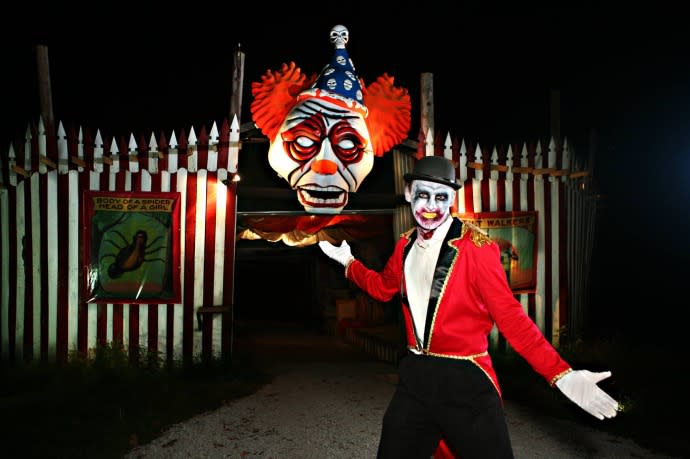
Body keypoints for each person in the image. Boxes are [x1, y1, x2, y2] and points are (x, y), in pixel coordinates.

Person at [318, 155, 620, 459]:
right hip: (415, 377)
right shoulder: (404, 245)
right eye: (422, 195)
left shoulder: (478, 250)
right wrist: (348, 262)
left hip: (465, 381)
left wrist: (562, 375)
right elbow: (382, 288)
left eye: (441, 197)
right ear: (409, 193)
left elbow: (513, 319)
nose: (431, 206)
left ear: (452, 199)